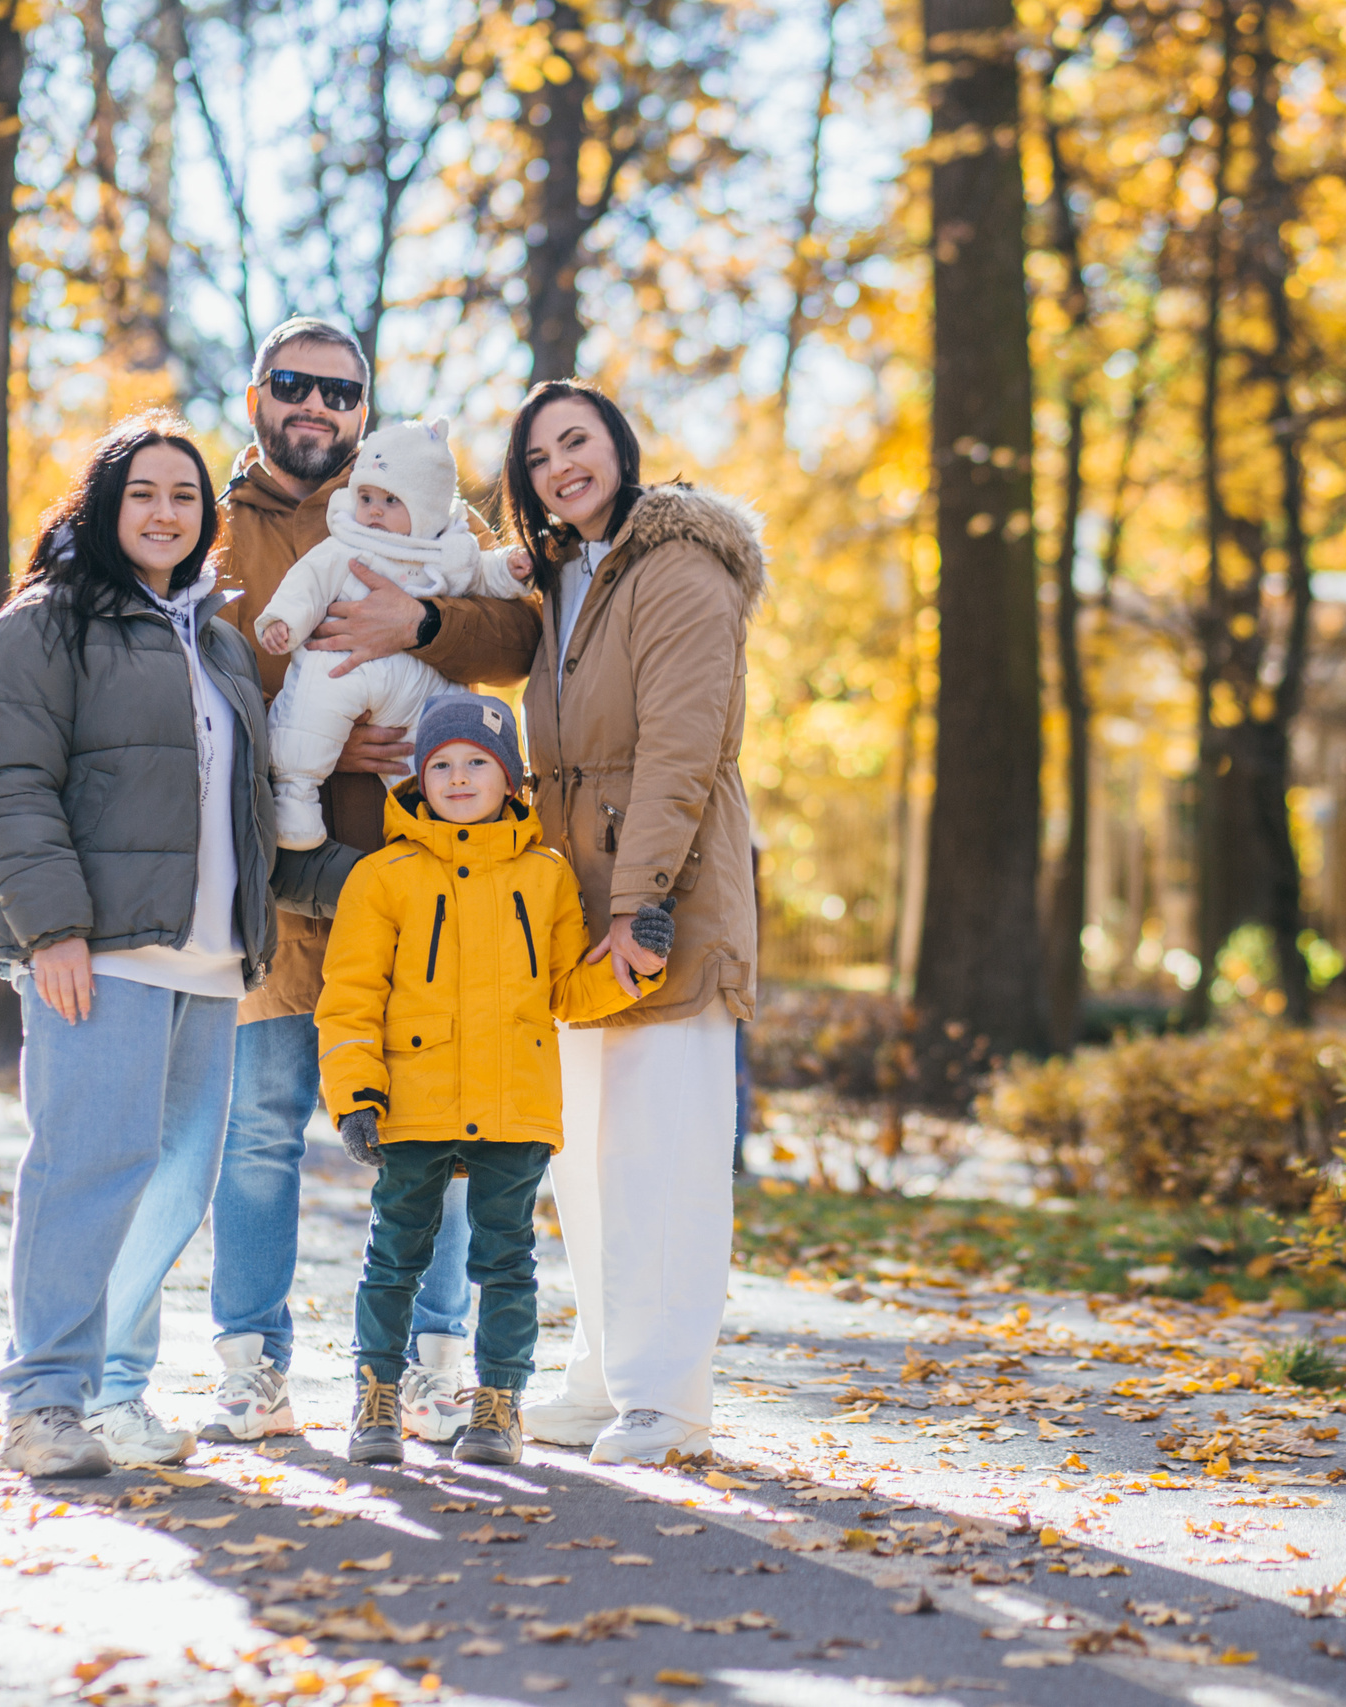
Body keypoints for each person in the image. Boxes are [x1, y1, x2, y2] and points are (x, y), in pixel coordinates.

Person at [92, 319, 541, 1451]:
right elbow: (181, 673)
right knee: (258, 1133)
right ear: (257, 396)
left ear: (363, 410)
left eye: (341, 392)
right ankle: (253, 1368)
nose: (318, 407)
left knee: (442, 1136)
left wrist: (418, 623)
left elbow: (514, 635)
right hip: (272, 884)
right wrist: (317, 733)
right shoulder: (209, 522)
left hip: (422, 884)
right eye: (294, 384)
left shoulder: (418, 499)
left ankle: (432, 1368)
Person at [0, 413, 282, 1477]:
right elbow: (7, 786)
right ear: (104, 506)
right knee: (88, 1169)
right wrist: (52, 928)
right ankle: (43, 1404)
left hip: (210, 961)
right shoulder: (46, 622)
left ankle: (112, 1394)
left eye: (185, 496)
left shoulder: (217, 639)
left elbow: (248, 805)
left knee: (174, 1190)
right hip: (99, 952)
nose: (165, 511)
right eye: (143, 491)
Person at [504, 379, 766, 1466]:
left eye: (577, 441)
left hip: (664, 903)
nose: (559, 466)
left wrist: (637, 906)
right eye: (537, 457)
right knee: (588, 1161)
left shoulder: (680, 565)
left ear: (619, 445)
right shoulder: (567, 575)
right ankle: (605, 1379)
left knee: (664, 1156)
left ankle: (667, 1399)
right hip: (573, 908)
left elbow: (679, 750)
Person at [316, 694, 672, 1466]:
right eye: (441, 763)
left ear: (511, 778)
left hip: (515, 1104)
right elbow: (349, 999)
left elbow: (568, 991)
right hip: (413, 1101)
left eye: (477, 761)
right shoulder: (383, 877)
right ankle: (376, 1394)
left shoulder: (546, 877)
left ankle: (499, 1402)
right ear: (419, 778)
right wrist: (355, 1095)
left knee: (506, 1259)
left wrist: (635, 967)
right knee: (395, 1254)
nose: (458, 776)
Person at [257, 418, 535, 849]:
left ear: (425, 508)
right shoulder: (346, 543)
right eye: (365, 497)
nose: (373, 511)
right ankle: (295, 797)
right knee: (310, 705)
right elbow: (307, 583)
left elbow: (482, 575)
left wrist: (509, 571)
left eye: (390, 500)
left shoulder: (446, 548)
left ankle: (442, 829)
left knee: (443, 740)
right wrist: (285, 621)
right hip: (346, 667)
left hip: (420, 682)